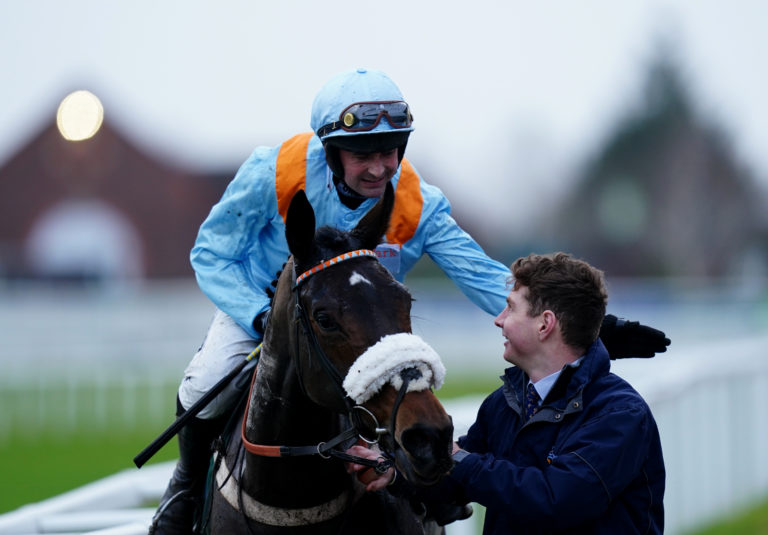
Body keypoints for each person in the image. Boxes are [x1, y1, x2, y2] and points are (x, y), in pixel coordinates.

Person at [149, 69, 670, 534]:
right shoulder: (273, 173)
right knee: (204, 381)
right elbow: (211, 254)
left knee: (403, 409)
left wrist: (587, 328)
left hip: (364, 327)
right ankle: (184, 488)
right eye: (363, 154)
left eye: (390, 151)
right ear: (330, 152)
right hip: (265, 304)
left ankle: (421, 507)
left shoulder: (420, 203)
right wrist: (261, 316)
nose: (380, 168)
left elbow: (482, 276)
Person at [347, 252, 666, 534]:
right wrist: (393, 472)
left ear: (545, 324)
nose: (498, 321)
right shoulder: (501, 404)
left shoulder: (620, 414)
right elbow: (454, 484)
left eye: (510, 309)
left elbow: (554, 501)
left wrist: (456, 457)